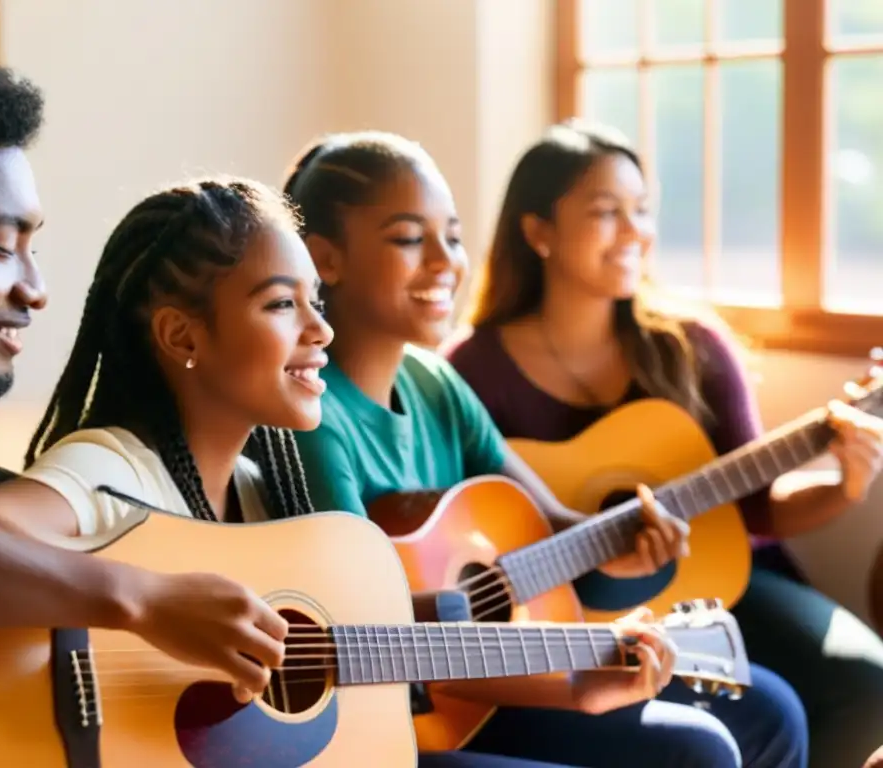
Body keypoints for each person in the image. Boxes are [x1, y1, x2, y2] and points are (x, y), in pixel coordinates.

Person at [0, 174, 666, 768]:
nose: (320, 330)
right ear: (182, 335)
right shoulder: (113, 468)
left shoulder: (272, 502)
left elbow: (370, 652)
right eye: (281, 304)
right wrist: (145, 600)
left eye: (315, 302)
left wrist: (580, 682)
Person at [285, 130, 807, 767]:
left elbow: (549, 523)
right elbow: (376, 633)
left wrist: (616, 544)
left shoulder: (436, 383)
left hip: (484, 677)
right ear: (324, 259)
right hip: (410, 706)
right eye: (408, 238)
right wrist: (575, 679)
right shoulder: (312, 417)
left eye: (452, 235)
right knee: (699, 753)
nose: (446, 260)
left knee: (765, 715)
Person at [0, 38, 289, 709]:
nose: (36, 289)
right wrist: (142, 600)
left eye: (33, 247)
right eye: (2, 247)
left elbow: (86, 535)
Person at [447, 118, 883, 768]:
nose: (634, 232)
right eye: (605, 211)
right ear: (538, 231)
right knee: (755, 716)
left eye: (642, 210)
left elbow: (760, 506)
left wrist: (846, 484)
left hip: (729, 577)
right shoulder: (471, 371)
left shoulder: (691, 347)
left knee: (867, 681)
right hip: (574, 611)